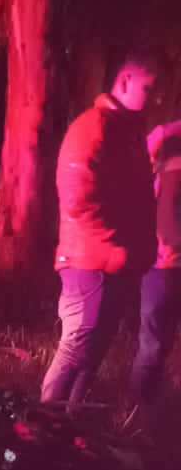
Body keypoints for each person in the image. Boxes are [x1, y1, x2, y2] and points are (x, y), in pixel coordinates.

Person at [41, 56, 159, 413]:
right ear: (124, 82)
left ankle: (68, 422)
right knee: (77, 345)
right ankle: (42, 422)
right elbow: (77, 195)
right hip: (88, 260)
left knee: (94, 351)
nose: (156, 98)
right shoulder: (93, 126)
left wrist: (138, 248)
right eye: (149, 89)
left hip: (117, 262)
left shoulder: (128, 132)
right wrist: (113, 246)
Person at [129, 117, 181, 424]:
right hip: (163, 267)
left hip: (162, 266)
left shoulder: (163, 170)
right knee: (154, 345)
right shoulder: (168, 170)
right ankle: (138, 411)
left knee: (157, 344)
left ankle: (143, 410)